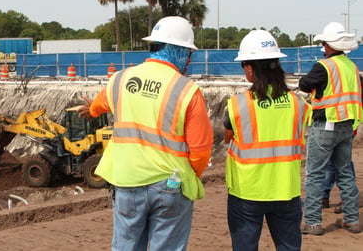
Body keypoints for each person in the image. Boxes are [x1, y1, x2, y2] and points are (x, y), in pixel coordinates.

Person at [78, 16, 214, 251]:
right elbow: (201, 152)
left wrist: (90, 110)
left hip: (127, 182)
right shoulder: (187, 90)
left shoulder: (120, 80)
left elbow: (99, 104)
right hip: (170, 184)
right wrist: (186, 177)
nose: (190, 60)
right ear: (177, 50)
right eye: (188, 53)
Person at [223, 29, 312, 251]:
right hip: (286, 190)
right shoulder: (298, 103)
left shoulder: (238, 104)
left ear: (250, 69)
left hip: (246, 192)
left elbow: (227, 137)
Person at [300, 22, 362, 235]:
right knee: (345, 173)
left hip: (325, 125)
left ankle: (313, 222)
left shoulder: (324, 66)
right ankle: (352, 220)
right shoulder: (352, 68)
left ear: (328, 45)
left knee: (315, 175)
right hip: (347, 126)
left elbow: (304, 84)